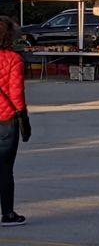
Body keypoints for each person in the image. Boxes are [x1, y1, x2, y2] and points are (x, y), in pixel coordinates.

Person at [0, 16, 31, 227]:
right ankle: (8, 213)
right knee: (4, 168)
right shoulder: (14, 59)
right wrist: (23, 118)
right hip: (6, 119)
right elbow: (16, 92)